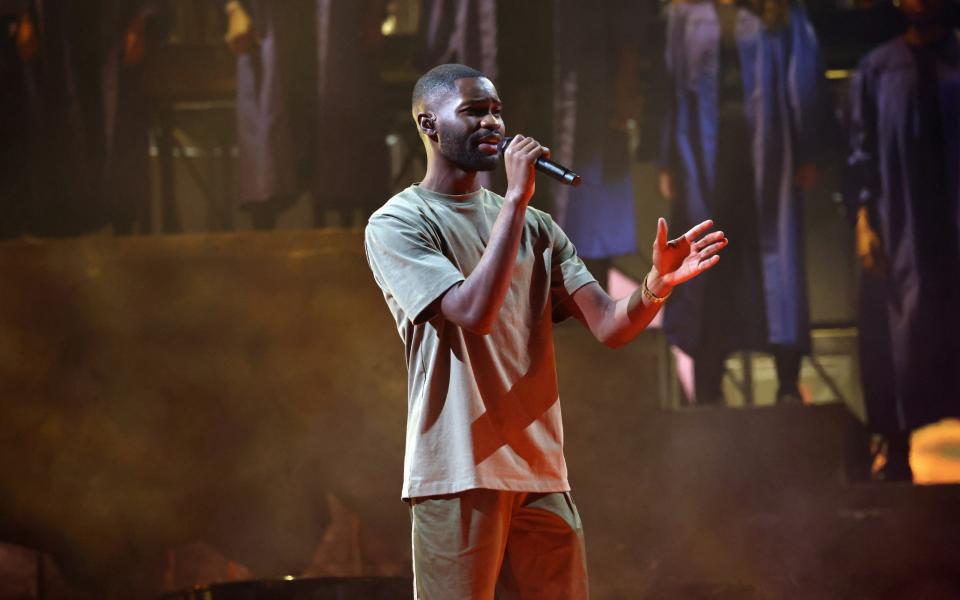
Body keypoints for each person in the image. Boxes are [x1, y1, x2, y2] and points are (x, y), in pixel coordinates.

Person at [364, 63, 727, 599]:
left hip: (540, 475)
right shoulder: (398, 223)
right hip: (458, 474)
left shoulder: (537, 226)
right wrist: (515, 200)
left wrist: (655, 286)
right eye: (473, 111)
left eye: (496, 110)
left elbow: (608, 325)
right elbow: (472, 312)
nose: (493, 123)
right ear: (429, 123)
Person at [658, 0, 825, 405]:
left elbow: (804, 83)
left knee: (776, 269)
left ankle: (788, 381)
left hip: (769, 155)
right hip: (706, 158)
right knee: (710, 266)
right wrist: (667, 159)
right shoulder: (686, 15)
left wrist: (807, 150)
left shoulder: (781, 12)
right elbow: (670, 88)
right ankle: (709, 384)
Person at [846, 0, 960, 481]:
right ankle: (896, 447)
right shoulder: (876, 70)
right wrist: (865, 221)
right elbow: (861, 151)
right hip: (902, 225)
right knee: (898, 333)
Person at [222, 0, 388, 229]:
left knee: (346, 160)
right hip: (269, 29)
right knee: (270, 158)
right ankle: (263, 256)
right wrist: (234, 7)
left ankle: (354, 255)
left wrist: (375, 10)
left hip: (342, 27)